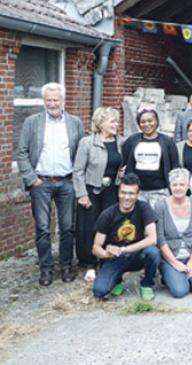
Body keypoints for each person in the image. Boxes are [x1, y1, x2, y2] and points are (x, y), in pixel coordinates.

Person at [16, 82, 84, 286]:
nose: (52, 103)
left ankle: (65, 266)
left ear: (63, 100)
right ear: (43, 101)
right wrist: (31, 179)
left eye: (56, 99)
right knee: (43, 228)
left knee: (67, 227)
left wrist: (76, 178)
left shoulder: (75, 122)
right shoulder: (32, 122)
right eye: (48, 100)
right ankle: (46, 269)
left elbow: (81, 151)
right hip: (41, 183)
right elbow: (22, 153)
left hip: (66, 182)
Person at [73, 107, 124, 283]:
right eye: (112, 122)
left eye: (117, 121)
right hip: (91, 191)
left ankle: (106, 260)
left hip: (112, 190)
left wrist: (122, 174)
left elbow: (122, 165)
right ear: (101, 123)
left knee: (109, 226)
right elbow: (78, 171)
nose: (116, 125)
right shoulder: (87, 143)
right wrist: (81, 194)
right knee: (89, 228)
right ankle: (89, 264)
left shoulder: (120, 142)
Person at [92, 173, 160, 300]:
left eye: (131, 193)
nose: (126, 197)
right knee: (99, 291)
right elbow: (96, 247)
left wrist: (123, 250)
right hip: (115, 258)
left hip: (136, 256)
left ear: (138, 194)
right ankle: (117, 280)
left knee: (153, 252)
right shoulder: (107, 214)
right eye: (123, 192)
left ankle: (147, 284)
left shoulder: (144, 208)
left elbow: (152, 239)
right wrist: (108, 253)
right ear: (118, 192)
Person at [156, 168, 192, 298]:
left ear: (187, 186)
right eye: (175, 185)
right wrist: (175, 263)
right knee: (180, 291)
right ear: (170, 186)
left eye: (182, 184)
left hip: (190, 254)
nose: (178, 188)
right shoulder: (160, 206)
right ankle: (167, 274)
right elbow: (160, 239)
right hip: (171, 256)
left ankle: (184, 275)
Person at [121, 108, 179, 208]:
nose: (147, 124)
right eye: (142, 122)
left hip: (160, 190)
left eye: (150, 121)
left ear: (156, 122)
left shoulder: (168, 142)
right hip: (136, 190)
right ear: (139, 124)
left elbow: (175, 166)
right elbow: (123, 161)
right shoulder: (132, 141)